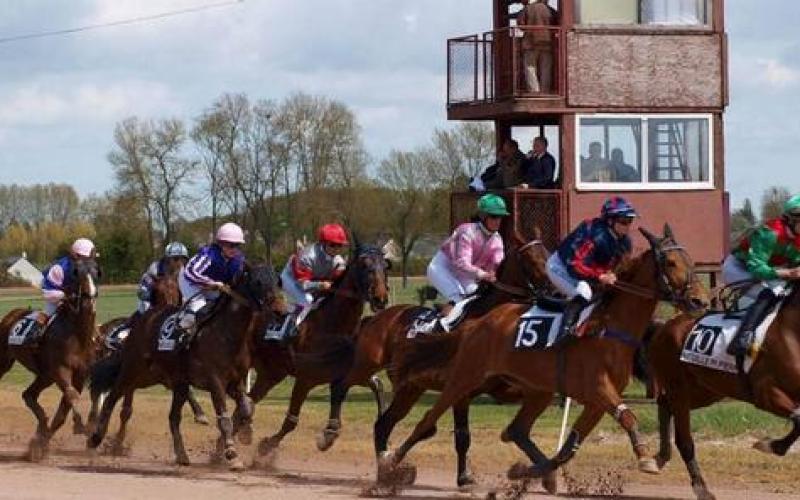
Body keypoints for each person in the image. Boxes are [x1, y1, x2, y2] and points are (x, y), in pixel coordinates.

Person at [546, 197, 636, 339]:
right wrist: (600, 276)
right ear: (610, 221)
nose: (628, 226)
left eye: (630, 221)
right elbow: (575, 265)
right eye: (624, 221)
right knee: (584, 292)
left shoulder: (625, 242)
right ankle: (565, 332)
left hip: (586, 271)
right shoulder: (595, 236)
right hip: (561, 267)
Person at [723, 195, 800, 358]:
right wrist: (788, 273)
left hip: (769, 269)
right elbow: (757, 268)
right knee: (770, 293)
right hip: (740, 268)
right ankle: (742, 338)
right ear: (791, 221)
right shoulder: (768, 233)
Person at [426, 193, 508, 331]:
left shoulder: (497, 239)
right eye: (494, 216)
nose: (498, 221)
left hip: (466, 275)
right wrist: (483, 275)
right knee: (459, 300)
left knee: (479, 300)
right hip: (442, 269)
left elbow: (498, 262)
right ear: (483, 216)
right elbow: (461, 263)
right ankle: (435, 330)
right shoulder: (467, 231)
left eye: (501, 217)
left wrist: (495, 272)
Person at [275, 223, 349, 340]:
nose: (337, 249)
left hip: (312, 281)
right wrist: (320, 285)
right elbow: (303, 285)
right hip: (291, 279)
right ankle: (286, 330)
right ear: (323, 243)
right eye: (333, 245)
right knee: (307, 300)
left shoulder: (338, 261)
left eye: (340, 246)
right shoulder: (308, 256)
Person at [176, 222, 246, 342]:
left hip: (213, 286)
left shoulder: (238, 259)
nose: (234, 249)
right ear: (220, 244)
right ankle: (180, 333)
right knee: (199, 306)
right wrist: (210, 283)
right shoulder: (209, 255)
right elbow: (190, 272)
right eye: (231, 245)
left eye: (237, 245)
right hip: (190, 281)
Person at [41, 238, 97, 320]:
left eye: (90, 258)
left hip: (78, 301)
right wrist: (65, 296)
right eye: (86, 258)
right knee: (46, 318)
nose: (88, 261)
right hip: (57, 300)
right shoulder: (60, 268)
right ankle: (37, 330)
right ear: (76, 255)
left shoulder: (88, 268)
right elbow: (47, 291)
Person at [137, 241, 190, 314]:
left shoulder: (186, 272)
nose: (180, 263)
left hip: (176, 308)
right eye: (176, 259)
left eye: (183, 259)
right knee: (144, 307)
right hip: (153, 305)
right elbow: (142, 293)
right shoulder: (155, 269)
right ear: (167, 259)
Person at [519, 0, 557, 93]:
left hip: (530, 43)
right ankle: (545, 90)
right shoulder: (550, 10)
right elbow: (556, 23)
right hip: (547, 43)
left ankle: (534, 91)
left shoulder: (528, 8)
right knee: (546, 68)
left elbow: (521, 25)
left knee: (530, 67)